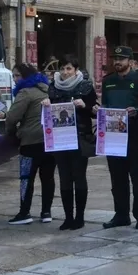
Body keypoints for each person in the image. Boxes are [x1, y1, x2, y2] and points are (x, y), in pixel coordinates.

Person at [92, 47, 138, 229]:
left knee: (136, 177)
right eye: (115, 58)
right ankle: (121, 214)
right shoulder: (108, 81)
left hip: (134, 136)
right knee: (117, 178)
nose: (117, 61)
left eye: (121, 58)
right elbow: (107, 105)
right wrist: (99, 111)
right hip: (113, 136)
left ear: (130, 61)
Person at [45, 55, 96, 230]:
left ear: (76, 70)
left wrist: (86, 106)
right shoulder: (53, 87)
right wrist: (45, 104)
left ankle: (79, 217)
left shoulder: (86, 86)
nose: (65, 72)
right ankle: (68, 217)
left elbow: (95, 111)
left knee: (79, 176)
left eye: (69, 69)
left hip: (80, 137)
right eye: (63, 69)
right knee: (64, 178)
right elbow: (48, 113)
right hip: (60, 139)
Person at [4, 64, 56, 225]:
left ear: (25, 77)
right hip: (50, 140)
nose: (15, 79)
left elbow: (12, 117)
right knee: (48, 178)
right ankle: (46, 212)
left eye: (17, 75)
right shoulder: (47, 89)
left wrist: (10, 132)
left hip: (31, 141)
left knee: (27, 177)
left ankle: (24, 212)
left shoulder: (25, 92)